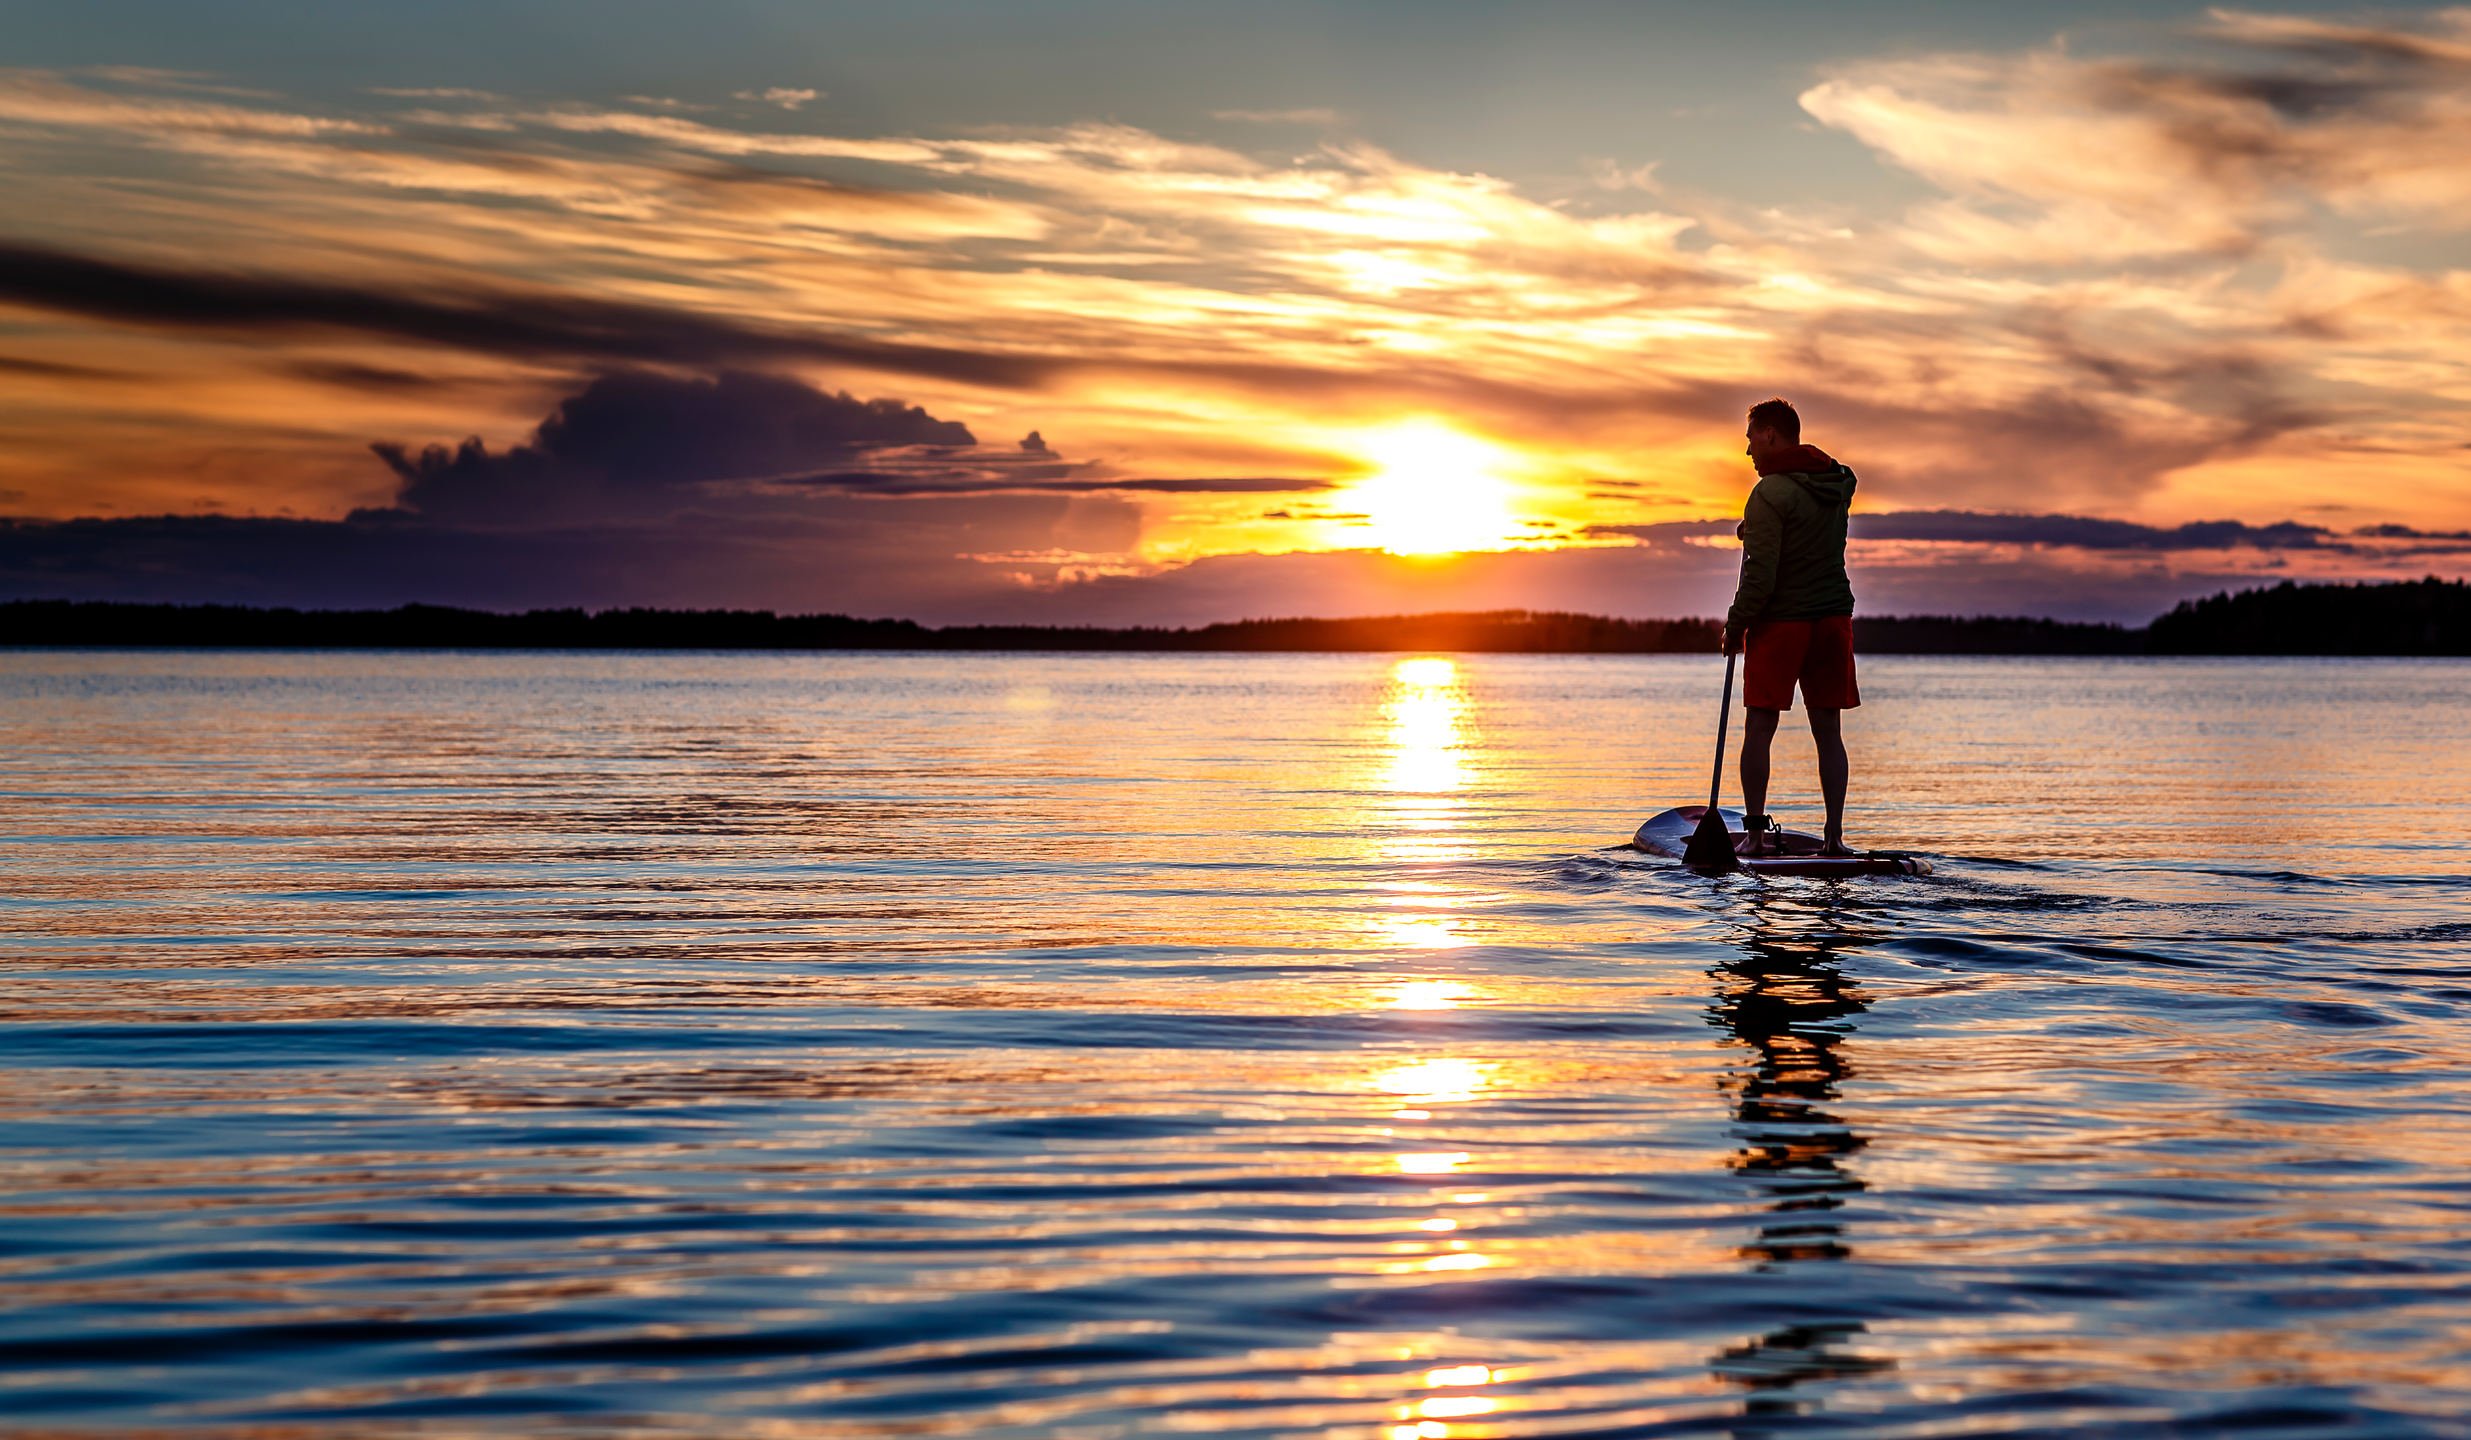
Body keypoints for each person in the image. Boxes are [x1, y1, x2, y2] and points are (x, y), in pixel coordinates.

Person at [1720, 398, 1859, 857]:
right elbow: (1803, 532)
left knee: (1759, 727)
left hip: (1782, 623)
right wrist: (1755, 529)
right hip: (1832, 620)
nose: (1748, 452)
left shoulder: (1769, 494)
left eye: (1751, 439)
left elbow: (1761, 576)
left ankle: (1756, 837)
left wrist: (1736, 625)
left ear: (1772, 435)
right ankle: (1834, 839)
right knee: (1828, 731)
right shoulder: (1835, 484)